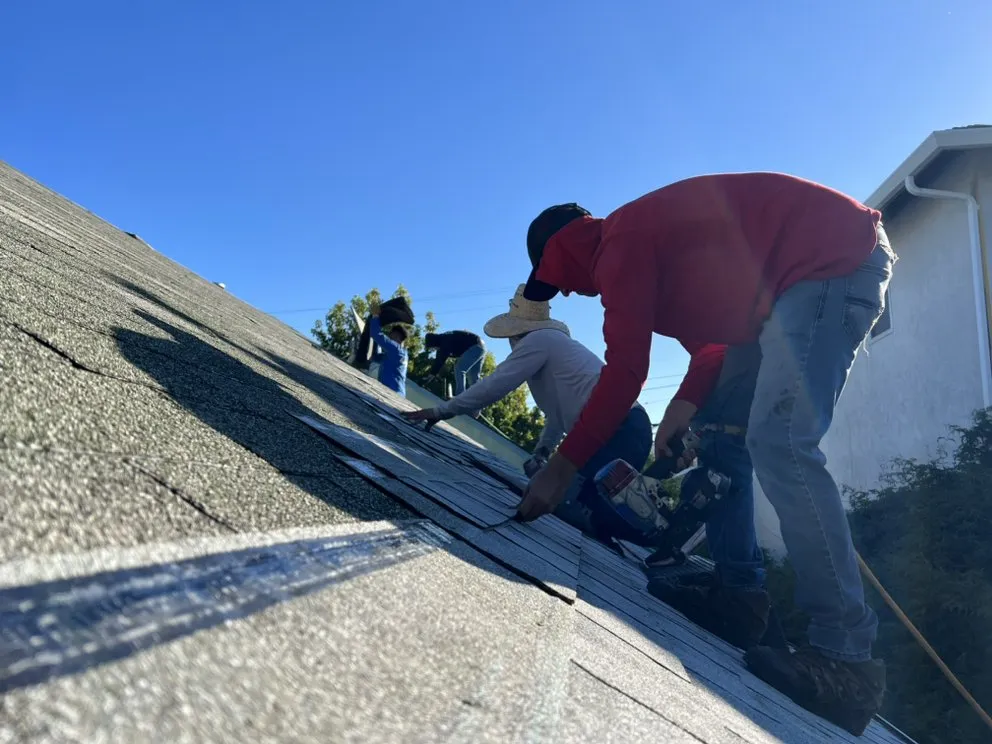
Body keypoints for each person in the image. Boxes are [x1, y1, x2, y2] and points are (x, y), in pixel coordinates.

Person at [518, 172, 895, 736]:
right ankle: (740, 595)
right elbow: (714, 348)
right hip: (782, 292)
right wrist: (683, 409)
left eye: (555, 279)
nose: (567, 291)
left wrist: (559, 468)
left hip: (832, 261)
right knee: (722, 432)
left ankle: (847, 659)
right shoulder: (647, 247)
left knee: (781, 441)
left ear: (562, 250)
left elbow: (625, 371)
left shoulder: (618, 243)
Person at [401, 285, 652, 533]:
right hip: (628, 429)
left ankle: (653, 533)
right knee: (586, 504)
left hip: (620, 430)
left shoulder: (538, 340)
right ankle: (636, 527)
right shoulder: (555, 346)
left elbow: (496, 384)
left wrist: (442, 410)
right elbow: (557, 415)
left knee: (563, 501)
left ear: (515, 333)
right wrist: (542, 451)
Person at [424, 331, 486, 395]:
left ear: (434, 343)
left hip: (475, 347)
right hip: (481, 347)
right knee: (473, 379)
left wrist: (430, 376)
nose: (433, 349)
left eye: (432, 347)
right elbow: (438, 361)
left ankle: (460, 396)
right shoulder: (443, 340)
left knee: (459, 368)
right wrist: (431, 375)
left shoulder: (445, 341)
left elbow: (440, 361)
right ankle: (478, 399)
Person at [368, 306, 410, 396]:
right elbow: (375, 357)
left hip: (392, 394)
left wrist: (375, 316)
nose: (389, 339)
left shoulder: (396, 350)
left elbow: (376, 334)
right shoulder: (400, 354)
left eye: (390, 337)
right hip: (396, 394)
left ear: (397, 336)